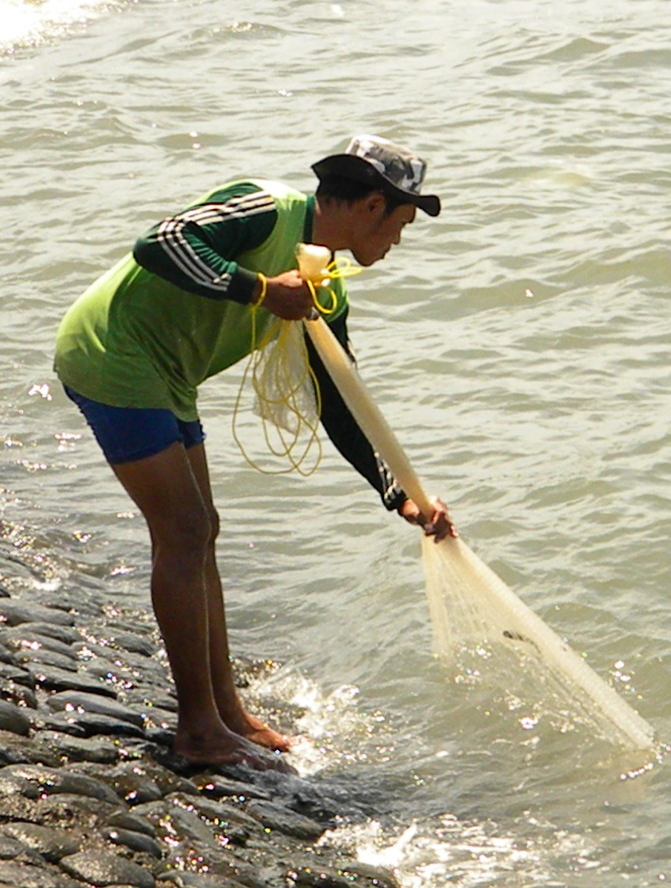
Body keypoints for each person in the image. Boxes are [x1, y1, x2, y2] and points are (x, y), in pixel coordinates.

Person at [53, 134, 456, 771]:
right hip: (111, 353)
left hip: (170, 377)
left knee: (201, 531)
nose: (401, 239)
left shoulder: (326, 286)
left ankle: (225, 711)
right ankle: (197, 730)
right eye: (403, 221)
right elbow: (161, 243)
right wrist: (260, 289)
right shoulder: (264, 207)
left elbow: (338, 400)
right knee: (183, 531)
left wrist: (400, 495)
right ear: (373, 205)